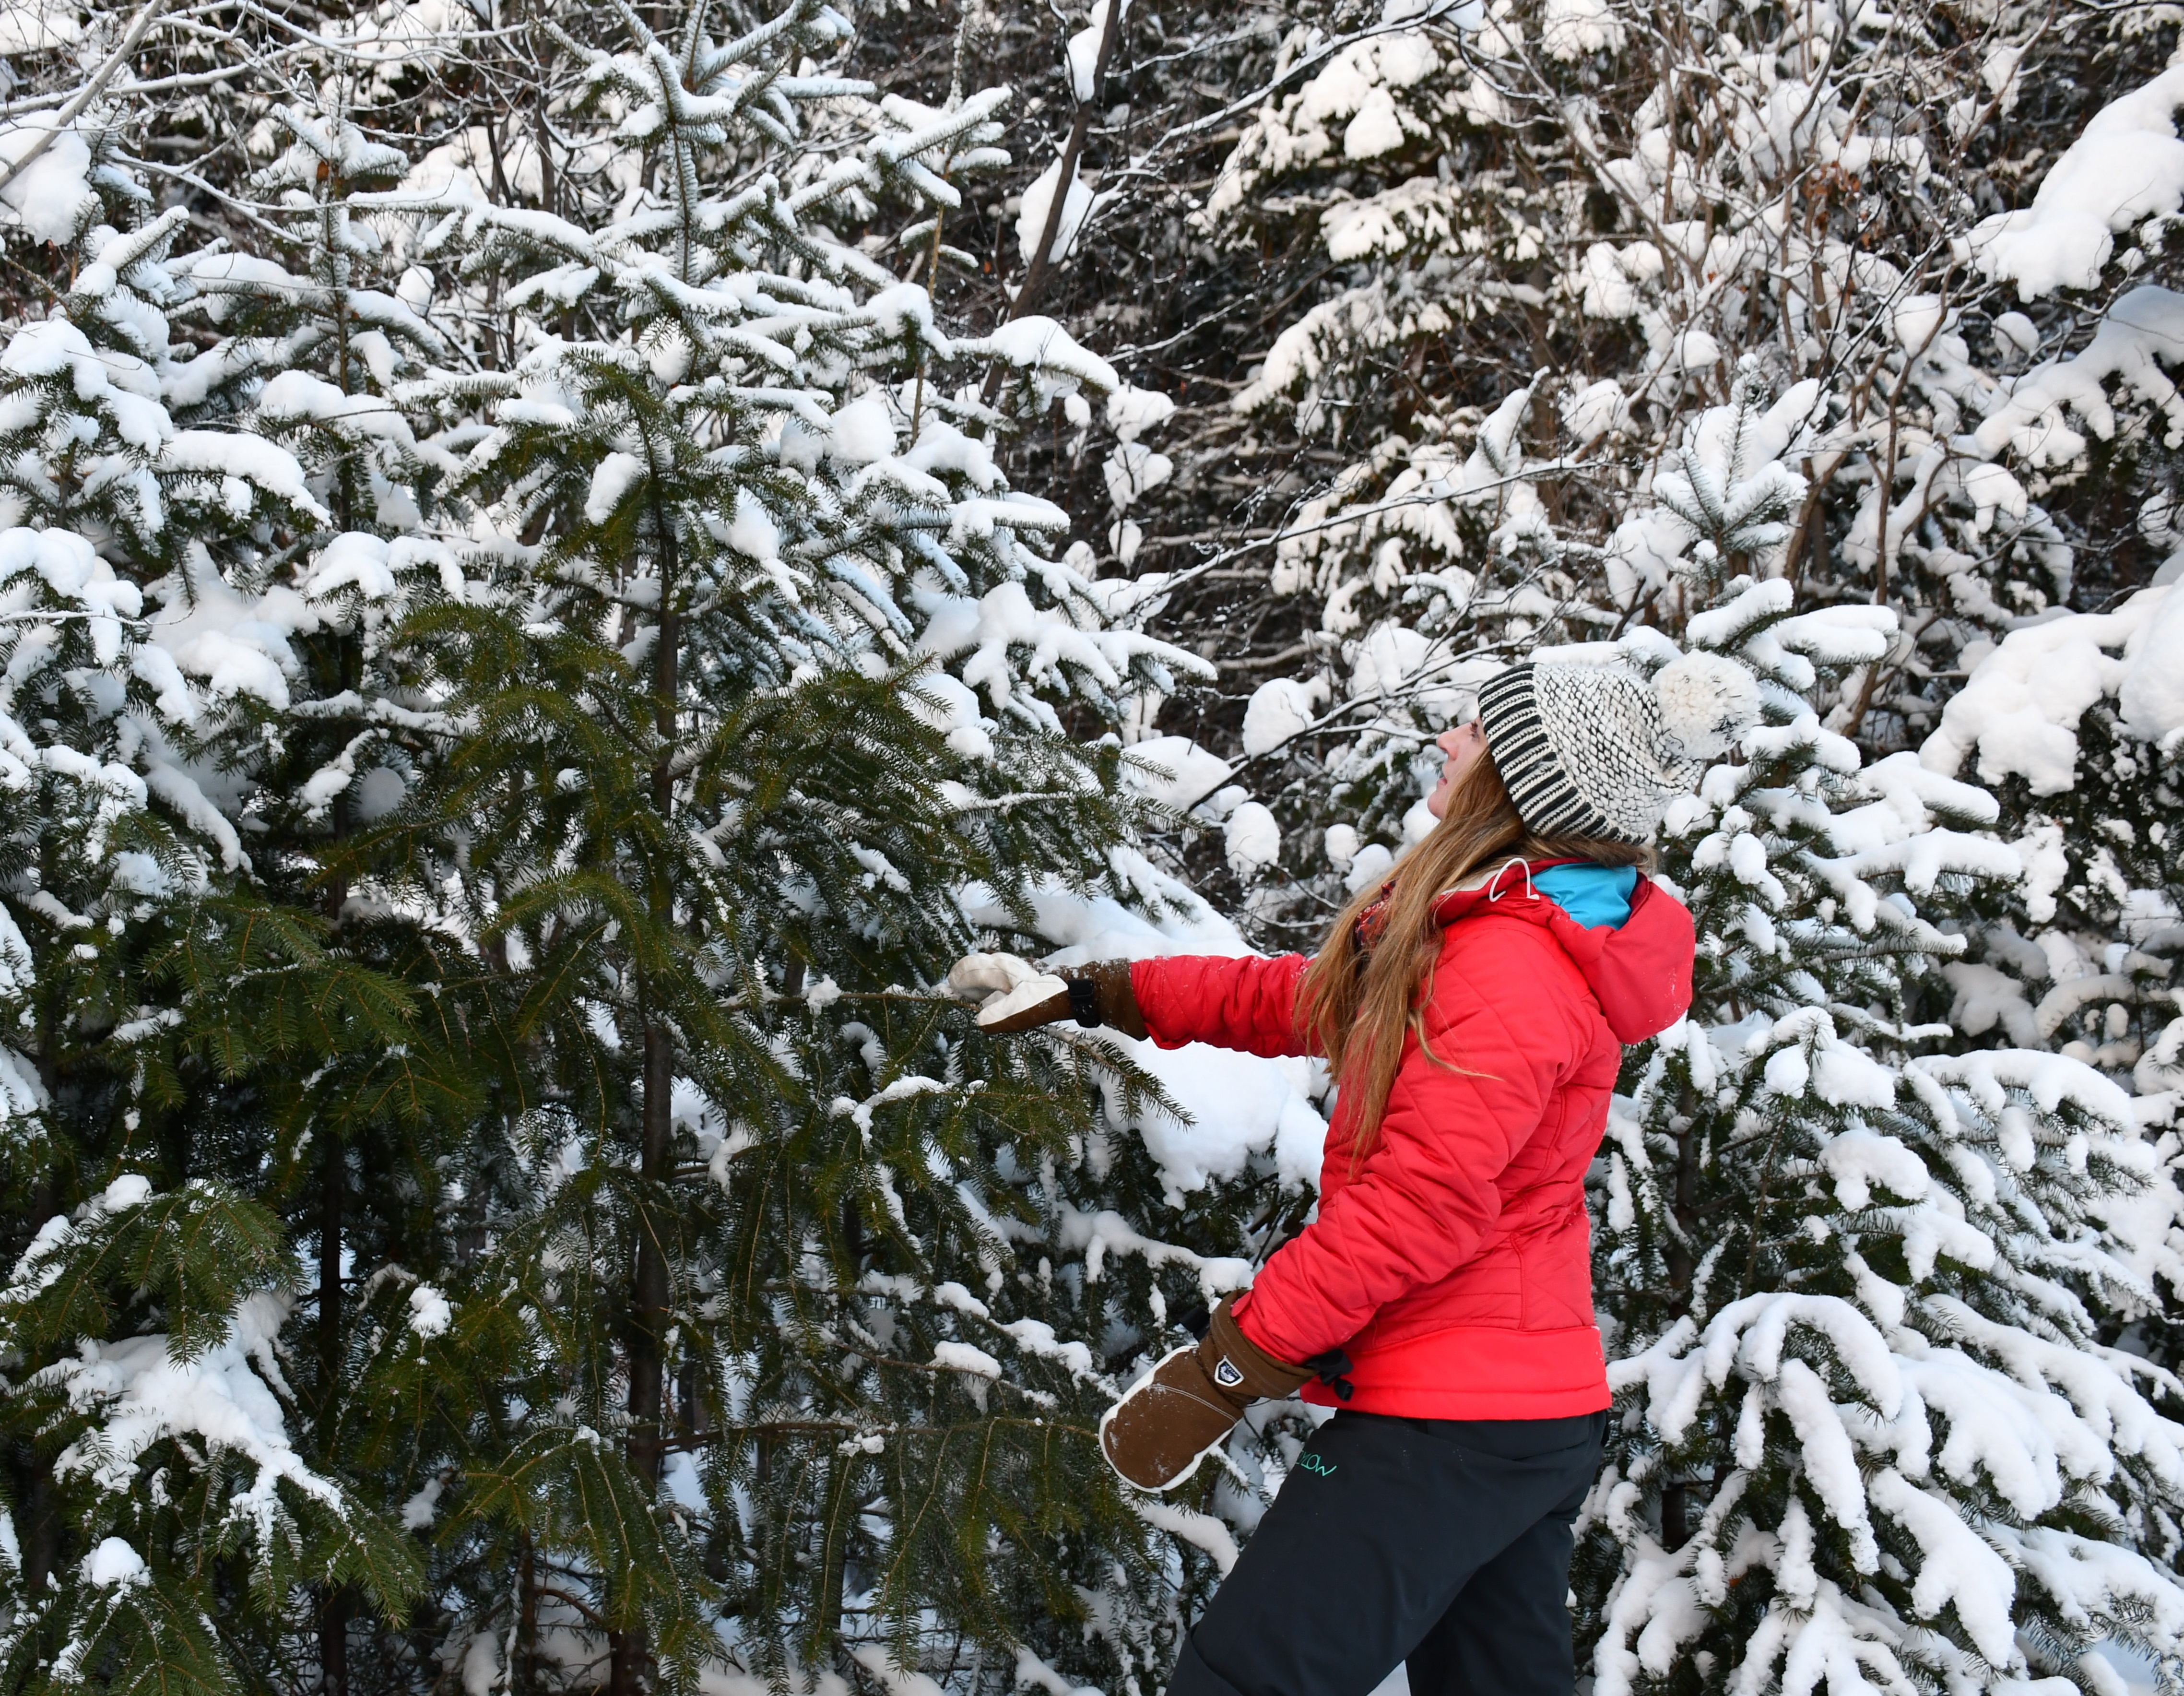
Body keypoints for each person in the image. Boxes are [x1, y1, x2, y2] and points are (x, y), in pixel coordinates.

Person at [950, 653, 1759, 1696]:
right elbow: (1296, 998)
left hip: (1451, 1424)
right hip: (1517, 1416)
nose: (1447, 740)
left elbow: (1416, 1210)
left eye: (1475, 731)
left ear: (1519, 782)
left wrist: (1228, 1368)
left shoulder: (1507, 968)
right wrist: (1100, 993)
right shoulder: (1499, 932)